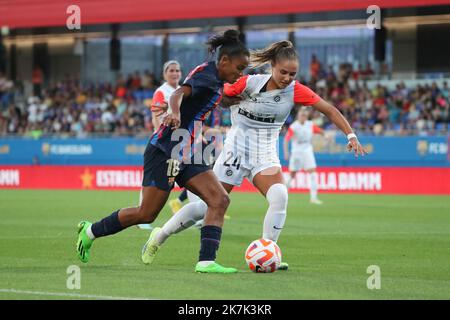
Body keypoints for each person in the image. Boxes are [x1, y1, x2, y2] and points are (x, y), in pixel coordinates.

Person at [142, 40, 367, 270]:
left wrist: (351, 135)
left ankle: (269, 253)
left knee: (280, 196)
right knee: (204, 207)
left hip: (265, 152)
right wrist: (181, 106)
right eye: (283, 72)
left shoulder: (295, 90)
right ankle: (159, 236)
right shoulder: (249, 83)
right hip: (236, 150)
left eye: (293, 73)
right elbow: (217, 96)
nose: (288, 77)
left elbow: (329, 109)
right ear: (272, 67)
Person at [75, 30, 250, 274]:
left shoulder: (216, 79)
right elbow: (179, 93)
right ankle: (90, 230)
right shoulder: (207, 76)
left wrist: (241, 99)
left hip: (186, 150)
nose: (240, 73)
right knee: (146, 214)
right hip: (166, 148)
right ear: (224, 61)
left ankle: (206, 261)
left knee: (219, 199)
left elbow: (209, 100)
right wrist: (175, 112)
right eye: (239, 68)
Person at [284, 107, 325, 204]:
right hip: (297, 152)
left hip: (307, 150)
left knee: (313, 173)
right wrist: (286, 152)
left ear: (307, 116)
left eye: (305, 115)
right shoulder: (294, 126)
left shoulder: (310, 125)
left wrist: (326, 136)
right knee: (292, 174)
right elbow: (286, 140)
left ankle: (313, 198)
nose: (303, 116)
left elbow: (321, 132)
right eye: (301, 114)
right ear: (298, 115)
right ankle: (283, 195)